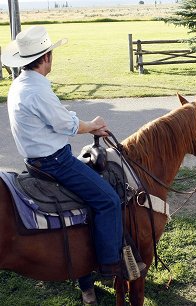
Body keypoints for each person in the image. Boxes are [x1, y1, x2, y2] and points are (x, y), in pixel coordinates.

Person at [1, 26, 127, 303]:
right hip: (56, 161)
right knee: (108, 200)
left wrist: (83, 124)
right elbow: (65, 124)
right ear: (45, 57)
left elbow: (55, 116)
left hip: (34, 162)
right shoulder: (36, 90)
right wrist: (92, 126)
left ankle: (87, 274)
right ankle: (110, 264)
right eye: (51, 54)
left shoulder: (22, 85)